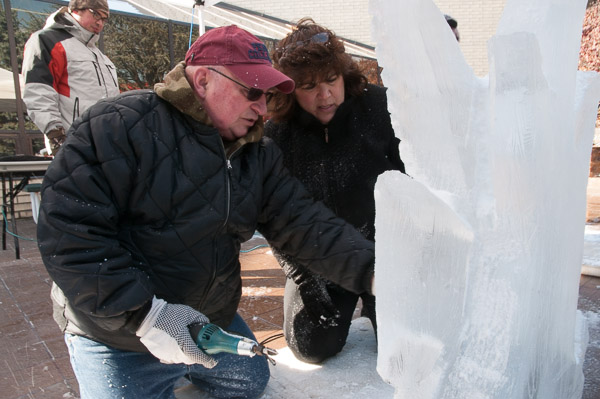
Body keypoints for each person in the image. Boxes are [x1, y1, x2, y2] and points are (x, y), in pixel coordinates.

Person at [37, 25, 375, 399]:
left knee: (248, 382)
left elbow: (305, 224)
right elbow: (69, 234)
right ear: (202, 80)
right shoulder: (118, 126)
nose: (262, 108)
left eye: (264, 95)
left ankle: (183, 368)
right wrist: (145, 316)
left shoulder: (256, 154)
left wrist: (372, 272)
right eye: (251, 92)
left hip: (205, 320)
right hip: (118, 330)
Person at [264, 18, 405, 364]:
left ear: (344, 74)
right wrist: (303, 278)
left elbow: (414, 180)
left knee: (404, 344)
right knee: (311, 346)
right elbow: (271, 215)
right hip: (318, 259)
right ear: (290, 91)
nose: (325, 95)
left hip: (385, 256)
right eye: (309, 86)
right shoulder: (276, 135)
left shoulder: (381, 108)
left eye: (331, 80)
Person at [22, 0, 119, 156]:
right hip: (73, 144)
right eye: (95, 15)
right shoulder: (49, 41)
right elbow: (38, 91)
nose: (99, 23)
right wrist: (56, 136)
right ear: (76, 10)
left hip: (107, 145)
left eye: (104, 19)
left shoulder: (100, 57)